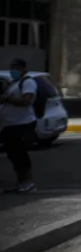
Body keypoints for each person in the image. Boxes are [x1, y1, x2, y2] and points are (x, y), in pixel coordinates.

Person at [0, 59, 38, 193]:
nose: (12, 71)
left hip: (22, 124)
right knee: (13, 155)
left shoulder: (28, 82)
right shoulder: (14, 83)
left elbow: (27, 100)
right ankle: (21, 182)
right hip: (10, 124)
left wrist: (7, 99)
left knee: (20, 155)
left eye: (15, 68)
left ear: (23, 69)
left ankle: (29, 182)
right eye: (11, 68)